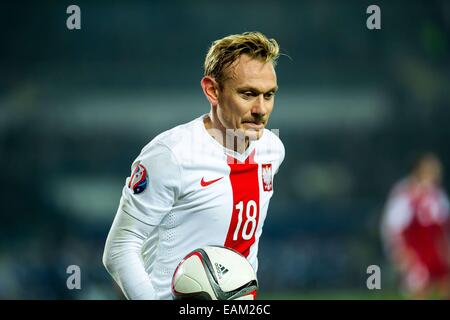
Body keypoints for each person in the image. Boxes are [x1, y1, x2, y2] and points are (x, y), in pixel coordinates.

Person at [102, 32, 285, 300]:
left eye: (269, 95)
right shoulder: (171, 155)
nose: (260, 109)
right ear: (212, 90)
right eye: (248, 94)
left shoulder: (272, 149)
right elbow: (119, 248)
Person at [381, 153, 450, 299]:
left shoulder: (438, 195)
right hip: (415, 253)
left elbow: (443, 227)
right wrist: (399, 255)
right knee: (419, 290)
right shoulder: (405, 194)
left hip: (435, 252)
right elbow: (392, 228)